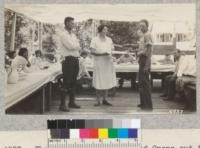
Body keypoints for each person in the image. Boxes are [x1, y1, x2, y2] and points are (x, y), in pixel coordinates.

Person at [90, 24, 117, 106]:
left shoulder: (109, 39)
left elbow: (112, 50)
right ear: (100, 30)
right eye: (105, 29)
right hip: (99, 63)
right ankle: (98, 101)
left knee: (106, 80)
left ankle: (105, 99)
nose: (106, 31)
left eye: (106, 29)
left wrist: (112, 56)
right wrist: (102, 54)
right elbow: (92, 51)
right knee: (98, 81)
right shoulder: (94, 40)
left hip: (108, 63)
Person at [59, 17, 81, 111]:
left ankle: (71, 102)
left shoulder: (73, 35)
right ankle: (62, 105)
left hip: (75, 59)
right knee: (66, 82)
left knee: (73, 82)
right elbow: (71, 46)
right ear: (67, 23)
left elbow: (77, 46)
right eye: (72, 23)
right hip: (68, 60)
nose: (73, 24)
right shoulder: (63, 35)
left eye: (73, 23)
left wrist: (76, 46)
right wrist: (77, 46)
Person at [137, 19, 153, 110]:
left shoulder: (148, 35)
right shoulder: (143, 36)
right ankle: (143, 103)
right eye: (140, 26)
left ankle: (148, 105)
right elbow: (143, 48)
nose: (141, 27)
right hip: (141, 59)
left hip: (145, 60)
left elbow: (149, 50)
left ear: (147, 26)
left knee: (145, 83)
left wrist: (147, 64)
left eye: (143, 26)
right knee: (141, 83)